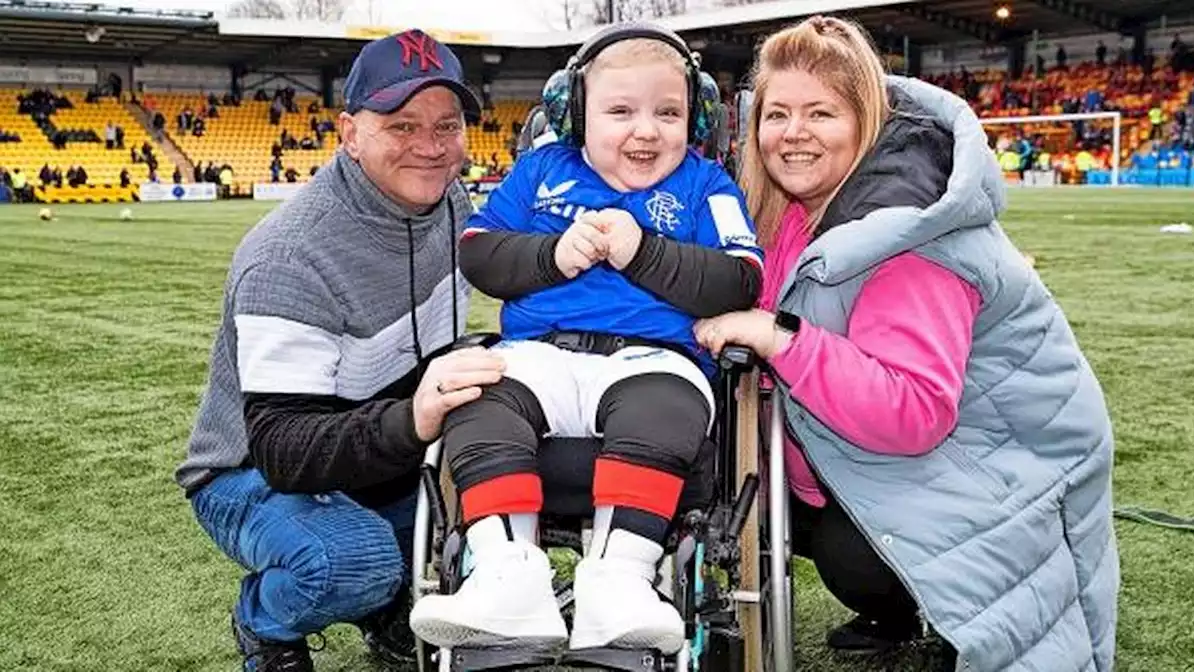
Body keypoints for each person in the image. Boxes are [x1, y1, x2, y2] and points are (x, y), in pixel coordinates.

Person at [694, 16, 1119, 672]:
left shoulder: (908, 237)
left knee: (844, 544)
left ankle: (934, 601)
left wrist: (782, 340)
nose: (792, 133)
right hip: (936, 452)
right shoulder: (788, 213)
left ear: (868, 122)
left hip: (999, 467)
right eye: (776, 114)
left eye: (821, 113)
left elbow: (914, 413)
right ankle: (893, 605)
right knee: (734, 485)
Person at [409, 23, 762, 656]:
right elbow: (479, 253)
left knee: (663, 408)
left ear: (697, 116)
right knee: (477, 397)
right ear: (575, 114)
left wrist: (643, 252)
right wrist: (553, 255)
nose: (646, 130)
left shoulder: (706, 186)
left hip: (654, 360)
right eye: (620, 111)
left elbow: (742, 279)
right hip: (540, 354)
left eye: (668, 112)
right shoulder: (542, 169)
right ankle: (506, 575)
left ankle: (621, 578)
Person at [175, 29, 497, 672]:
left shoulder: (453, 202)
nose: (431, 147)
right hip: (252, 470)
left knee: (490, 526)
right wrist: (416, 419)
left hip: (374, 448)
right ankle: (265, 623)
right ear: (350, 133)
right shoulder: (290, 258)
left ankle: (389, 607)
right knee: (358, 562)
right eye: (402, 125)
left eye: (447, 125)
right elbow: (286, 448)